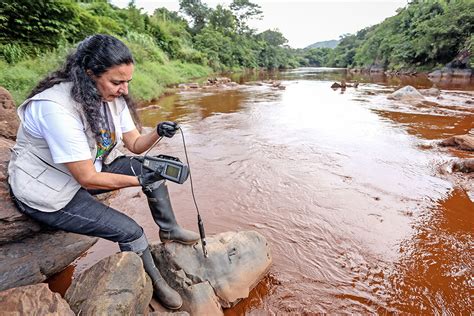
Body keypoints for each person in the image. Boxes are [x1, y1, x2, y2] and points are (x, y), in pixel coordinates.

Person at [7, 34, 199, 310]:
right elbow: (86, 178)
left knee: (155, 170)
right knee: (130, 231)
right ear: (89, 73)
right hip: (49, 191)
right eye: (117, 82)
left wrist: (157, 131)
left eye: (127, 82)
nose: (124, 89)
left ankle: (170, 230)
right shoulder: (55, 109)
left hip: (89, 169)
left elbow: (133, 144)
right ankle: (156, 284)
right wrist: (137, 181)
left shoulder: (110, 97)